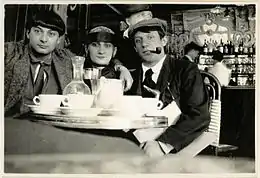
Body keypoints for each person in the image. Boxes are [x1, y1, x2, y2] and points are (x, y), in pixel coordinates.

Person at [4, 10, 132, 116]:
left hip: (51, 128)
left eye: (51, 34)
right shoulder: (9, 52)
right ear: (27, 33)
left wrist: (121, 68)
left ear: (59, 39)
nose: (43, 39)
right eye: (38, 31)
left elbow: (95, 58)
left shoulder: (64, 58)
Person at [127, 18, 210, 156]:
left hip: (174, 149)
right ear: (135, 48)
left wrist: (162, 145)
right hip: (134, 149)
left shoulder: (185, 70)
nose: (144, 44)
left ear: (164, 41)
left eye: (151, 37)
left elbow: (199, 115)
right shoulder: (130, 77)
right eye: (138, 40)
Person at [116, 4, 153, 70]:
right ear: (128, 21)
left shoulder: (155, 39)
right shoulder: (117, 39)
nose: (147, 19)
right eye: (141, 15)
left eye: (149, 15)